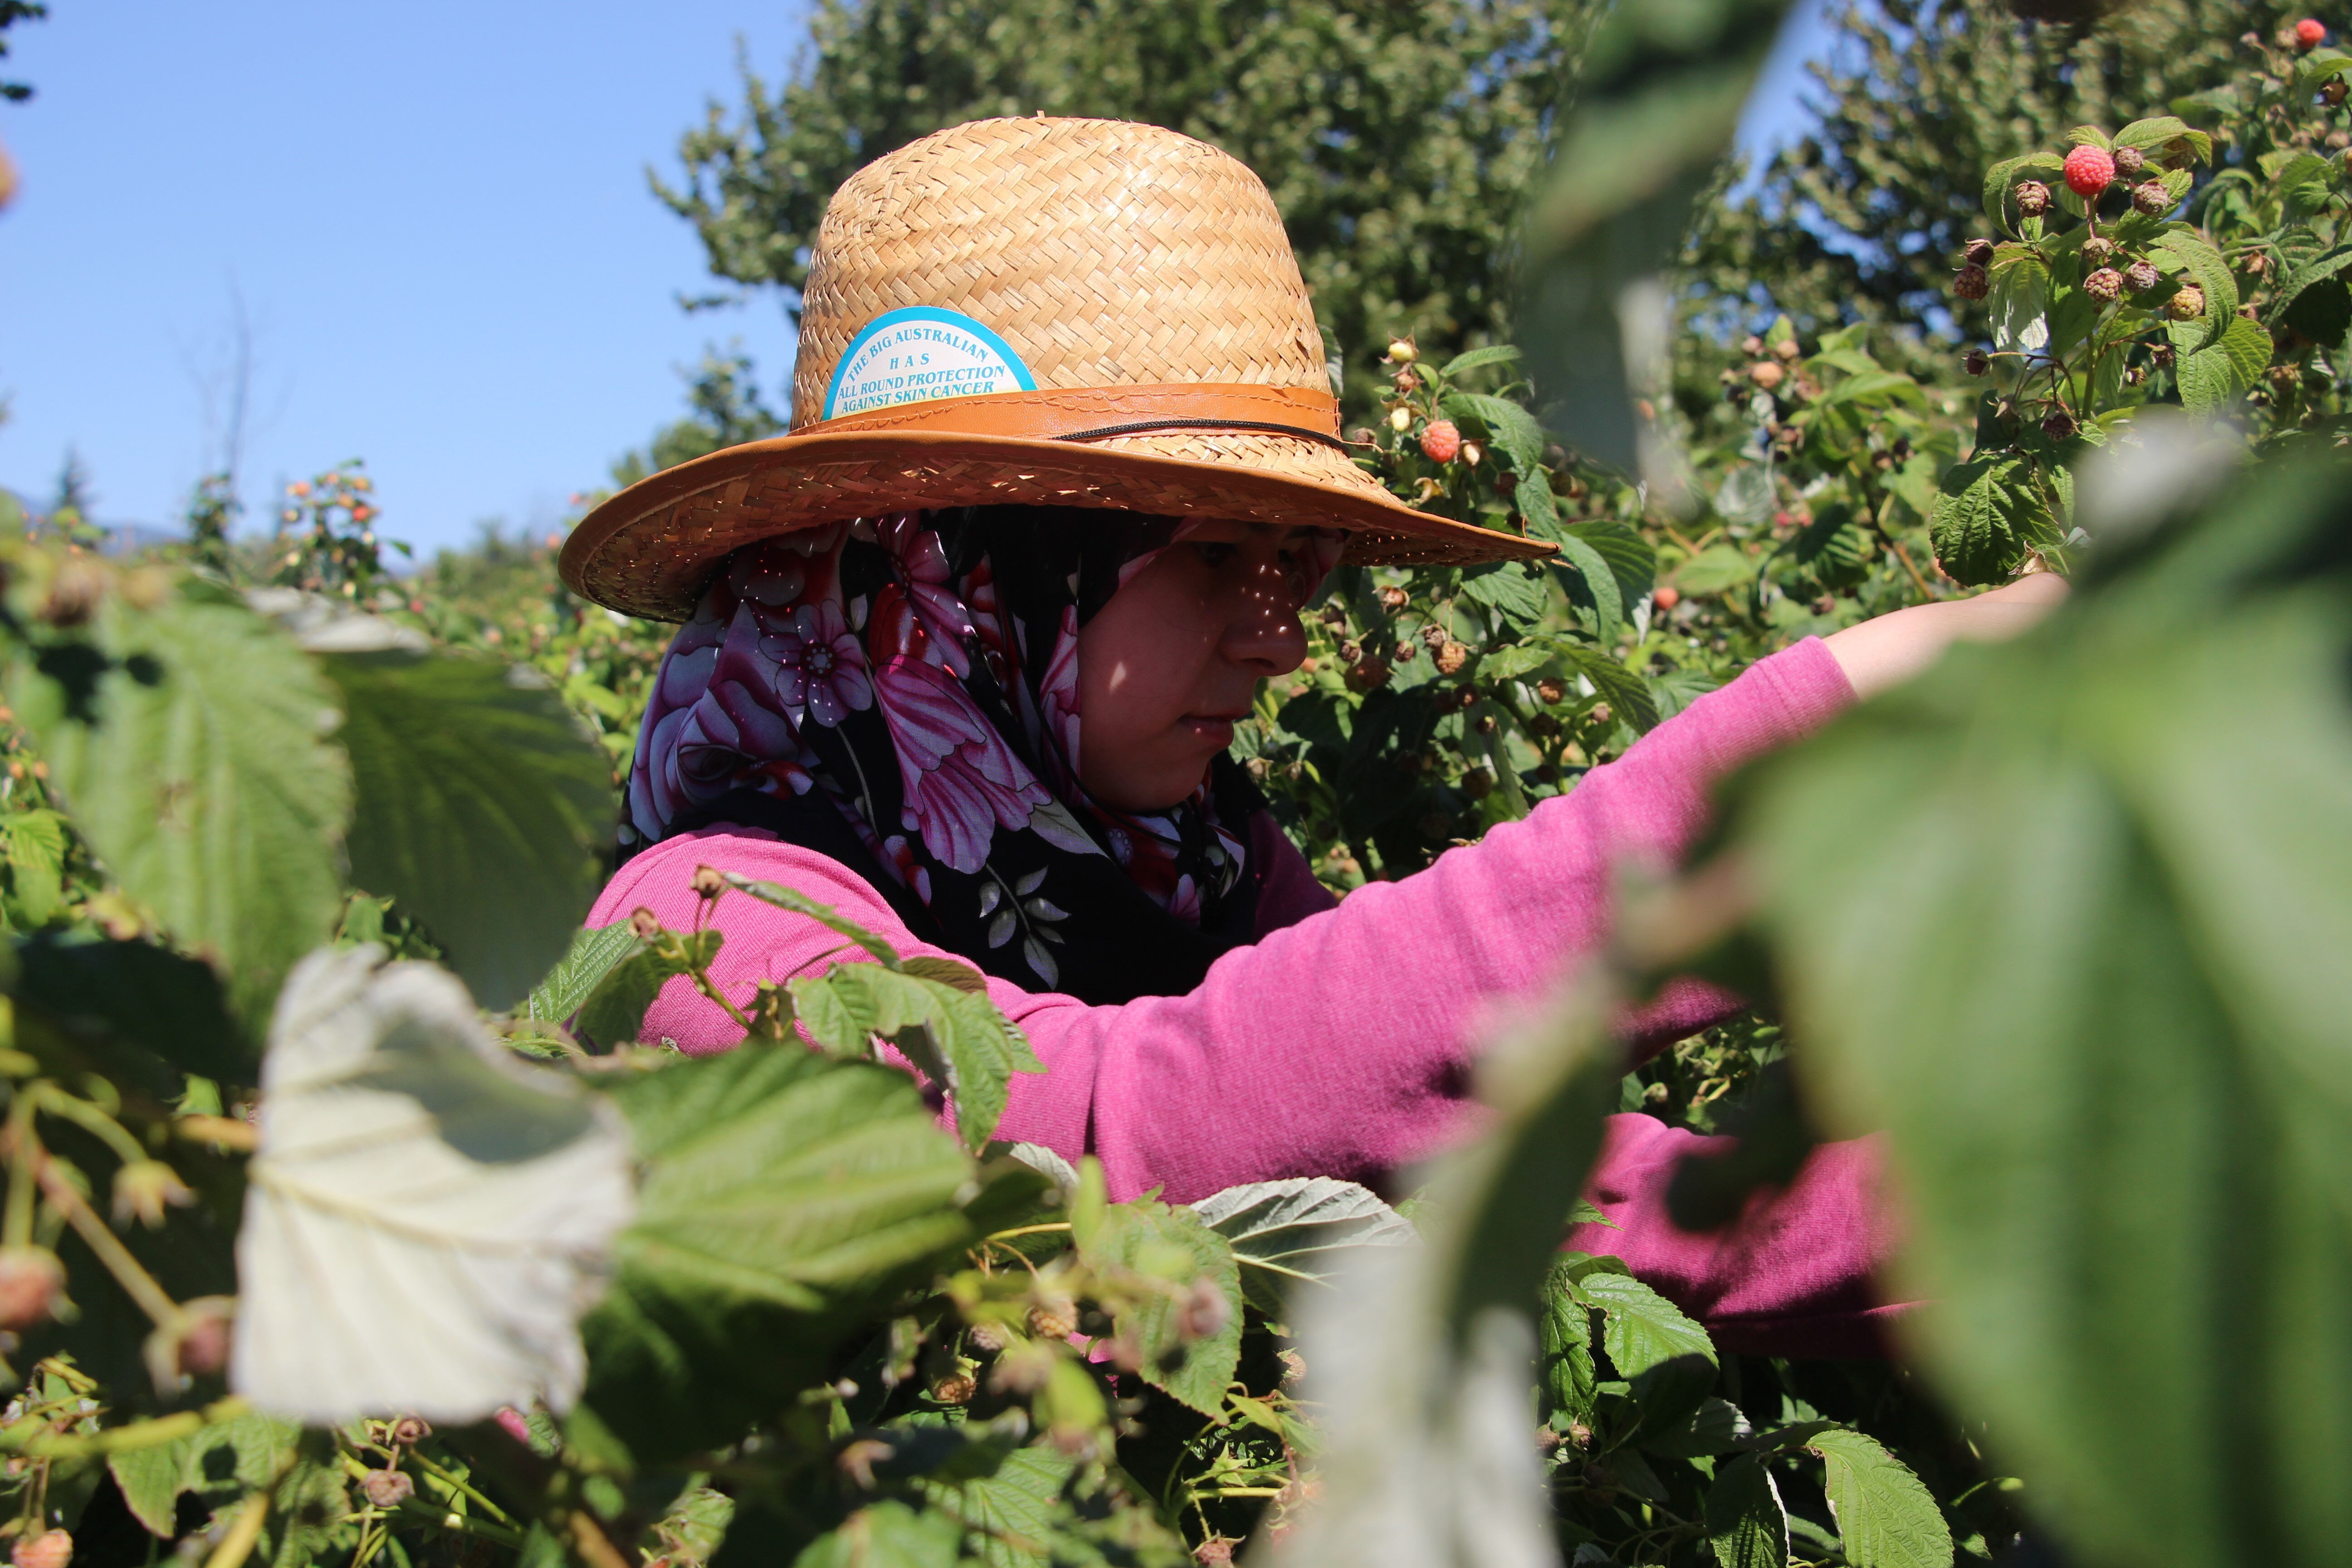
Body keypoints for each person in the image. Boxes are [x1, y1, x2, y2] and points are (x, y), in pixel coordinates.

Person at [561, 117, 2063, 1357]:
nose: (1281, 635)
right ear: (959, 566)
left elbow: (1514, 1174)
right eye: (1218, 556)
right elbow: (1108, 1138)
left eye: (1306, 568)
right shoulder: (709, 933)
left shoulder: (1191, 865)